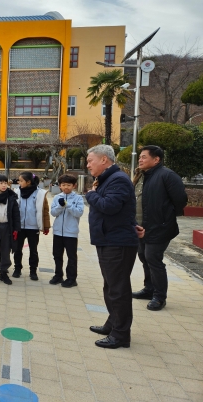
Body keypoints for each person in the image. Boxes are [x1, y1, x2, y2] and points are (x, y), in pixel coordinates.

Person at [85, 144, 144, 349]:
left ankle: (120, 335)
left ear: (104, 160)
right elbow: (123, 210)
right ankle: (113, 324)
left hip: (116, 243)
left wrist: (90, 195)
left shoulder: (117, 179)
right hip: (110, 239)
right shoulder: (108, 179)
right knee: (111, 286)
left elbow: (109, 206)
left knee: (118, 289)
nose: (87, 165)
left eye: (90, 161)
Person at [132, 145, 188, 311]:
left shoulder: (167, 175)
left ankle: (159, 296)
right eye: (140, 157)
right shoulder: (142, 176)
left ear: (156, 160)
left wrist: (165, 217)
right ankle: (149, 289)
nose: (140, 159)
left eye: (144, 157)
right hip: (142, 227)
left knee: (153, 258)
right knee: (143, 256)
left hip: (160, 227)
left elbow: (180, 200)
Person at [13, 172, 50, 281]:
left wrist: (46, 226)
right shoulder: (17, 191)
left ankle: (33, 271)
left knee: (33, 250)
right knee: (17, 249)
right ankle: (17, 268)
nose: (19, 182)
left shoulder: (40, 193)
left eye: (21, 181)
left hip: (33, 227)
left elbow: (45, 210)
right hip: (19, 227)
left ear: (28, 182)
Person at [49, 174, 84, 288]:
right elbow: (53, 213)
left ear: (74, 186)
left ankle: (71, 278)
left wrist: (67, 205)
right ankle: (58, 275)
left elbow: (79, 213)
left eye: (69, 185)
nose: (66, 187)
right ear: (59, 186)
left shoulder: (78, 198)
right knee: (57, 255)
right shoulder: (56, 197)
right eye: (63, 185)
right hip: (58, 232)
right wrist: (60, 206)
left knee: (71, 256)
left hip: (71, 233)